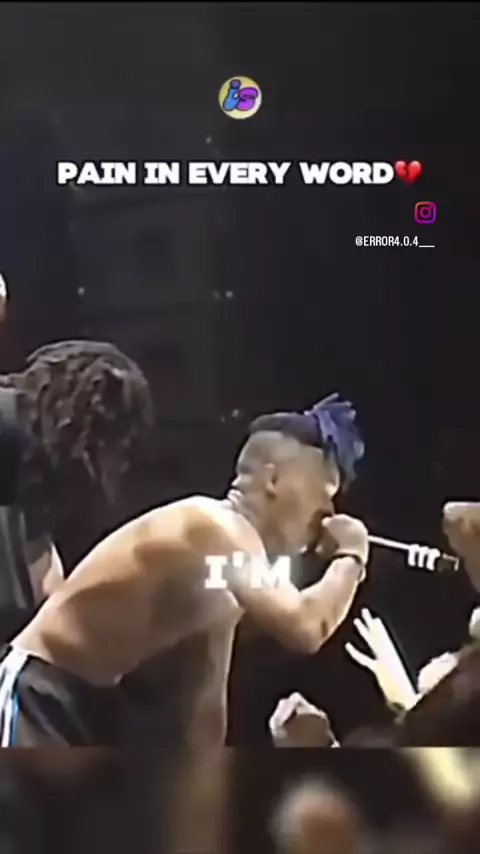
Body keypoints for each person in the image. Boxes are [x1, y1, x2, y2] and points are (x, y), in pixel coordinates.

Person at [0, 393, 368, 746]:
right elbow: (305, 627)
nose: (329, 513)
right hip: (37, 690)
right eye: (325, 493)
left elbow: (203, 716)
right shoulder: (214, 525)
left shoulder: (225, 573)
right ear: (273, 480)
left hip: (84, 710)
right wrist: (352, 553)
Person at [0, 339, 153, 639]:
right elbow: (33, 593)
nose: (120, 463)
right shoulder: (15, 438)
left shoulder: (21, 433)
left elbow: (44, 578)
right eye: (120, 443)